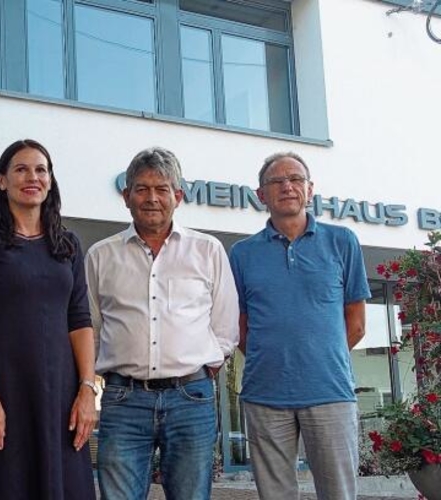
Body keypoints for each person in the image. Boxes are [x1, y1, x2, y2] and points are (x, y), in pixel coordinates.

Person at [86, 146, 239, 500]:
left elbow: (226, 326)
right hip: (123, 399)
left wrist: (201, 370)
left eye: (161, 189)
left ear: (178, 196)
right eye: (141, 189)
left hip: (191, 399)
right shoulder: (100, 256)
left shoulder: (208, 250)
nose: (151, 198)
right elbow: (90, 327)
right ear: (126, 197)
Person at [0, 139, 97, 500]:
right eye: (21, 169)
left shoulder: (68, 245)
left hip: (63, 398)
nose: (32, 177)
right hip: (5, 393)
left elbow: (80, 321)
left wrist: (86, 391)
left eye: (40, 169)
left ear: (50, 180)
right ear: (2, 181)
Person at [229, 152, 369, 500]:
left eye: (295, 179)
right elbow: (240, 325)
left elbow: (357, 323)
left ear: (310, 189)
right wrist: (276, 356)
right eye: (276, 181)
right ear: (261, 195)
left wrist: (318, 355)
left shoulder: (342, 241)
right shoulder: (242, 254)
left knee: (339, 494)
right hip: (264, 394)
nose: (287, 186)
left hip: (330, 391)